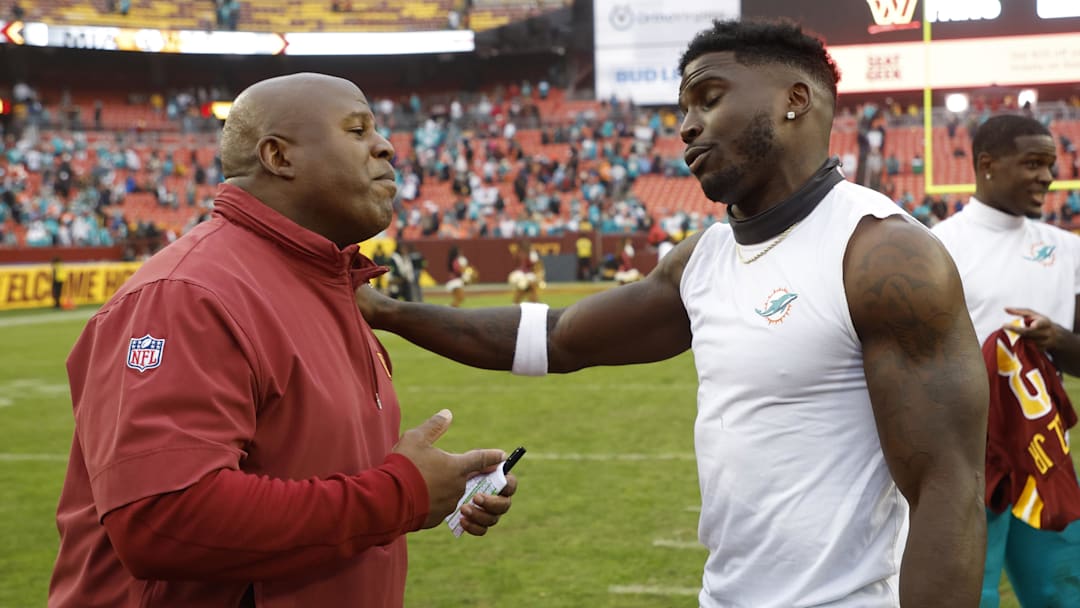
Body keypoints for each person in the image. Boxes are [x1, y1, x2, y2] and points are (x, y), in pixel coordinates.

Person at [356, 19, 988, 607]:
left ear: (795, 100)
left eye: (708, 98)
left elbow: (947, 491)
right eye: (683, 108)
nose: (685, 125)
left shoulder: (881, 253)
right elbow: (557, 339)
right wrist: (383, 311)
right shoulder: (702, 260)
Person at [48, 73, 516, 608]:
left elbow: (312, 467)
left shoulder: (327, 284)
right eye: (357, 130)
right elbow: (163, 519)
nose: (385, 145)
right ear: (278, 156)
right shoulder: (188, 293)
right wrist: (400, 494)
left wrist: (438, 483)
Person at [931, 114, 1080, 608]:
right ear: (987, 165)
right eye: (1032, 163)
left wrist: (1056, 338)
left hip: (1042, 451)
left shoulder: (1067, 249)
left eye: (1050, 165)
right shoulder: (936, 246)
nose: (1046, 176)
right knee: (970, 594)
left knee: (1061, 590)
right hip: (966, 455)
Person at [507, 239, 543, 304]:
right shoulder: (519, 253)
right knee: (523, 289)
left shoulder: (532, 254)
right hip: (522, 276)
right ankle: (535, 304)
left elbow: (537, 267)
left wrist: (539, 277)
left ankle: (516, 305)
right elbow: (519, 267)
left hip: (530, 276)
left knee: (526, 289)